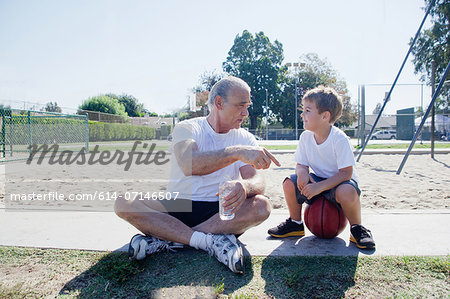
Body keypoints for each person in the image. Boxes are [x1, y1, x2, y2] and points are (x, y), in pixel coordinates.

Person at [115, 76, 280, 274]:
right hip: (178, 205)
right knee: (124, 202)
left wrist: (245, 187)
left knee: (262, 205)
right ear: (219, 103)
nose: (245, 113)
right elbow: (189, 164)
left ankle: (170, 237)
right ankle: (209, 241)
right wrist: (237, 152)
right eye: (240, 106)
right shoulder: (188, 128)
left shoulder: (245, 137)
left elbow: (257, 179)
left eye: (247, 106)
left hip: (220, 211)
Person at [267, 86, 375, 250]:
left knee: (347, 191)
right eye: (303, 110)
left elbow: (346, 173)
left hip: (340, 183)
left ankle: (357, 228)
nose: (302, 114)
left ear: (325, 116)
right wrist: (302, 173)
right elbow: (301, 164)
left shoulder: (339, 139)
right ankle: (295, 223)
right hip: (317, 180)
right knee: (290, 182)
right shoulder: (306, 137)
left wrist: (319, 187)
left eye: (308, 110)